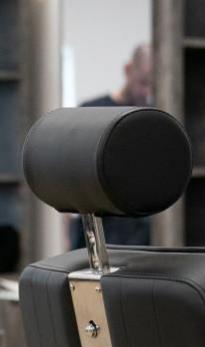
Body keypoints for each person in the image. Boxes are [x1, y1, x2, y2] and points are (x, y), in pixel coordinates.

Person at [70, 43, 153, 250]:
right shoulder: (91, 112)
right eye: (144, 83)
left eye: (155, 86)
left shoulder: (156, 119)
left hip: (142, 238)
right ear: (128, 70)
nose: (148, 93)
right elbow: (72, 181)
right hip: (96, 233)